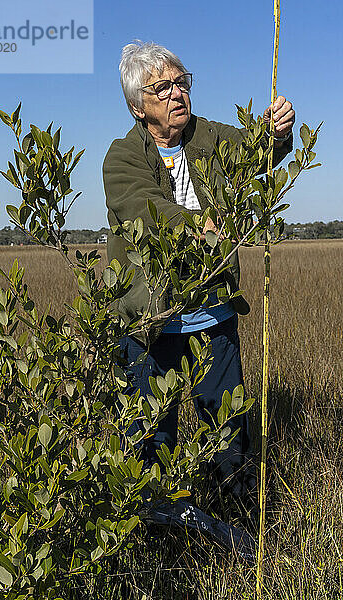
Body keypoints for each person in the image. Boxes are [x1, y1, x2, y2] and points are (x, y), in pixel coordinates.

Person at [102, 41, 295, 507]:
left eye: (181, 83)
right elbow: (146, 212)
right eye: (161, 88)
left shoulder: (207, 135)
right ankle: (156, 532)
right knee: (150, 438)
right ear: (137, 106)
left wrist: (277, 133)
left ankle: (240, 520)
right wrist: (202, 227)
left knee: (228, 429)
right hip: (150, 320)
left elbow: (257, 153)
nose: (176, 94)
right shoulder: (121, 158)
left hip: (213, 312)